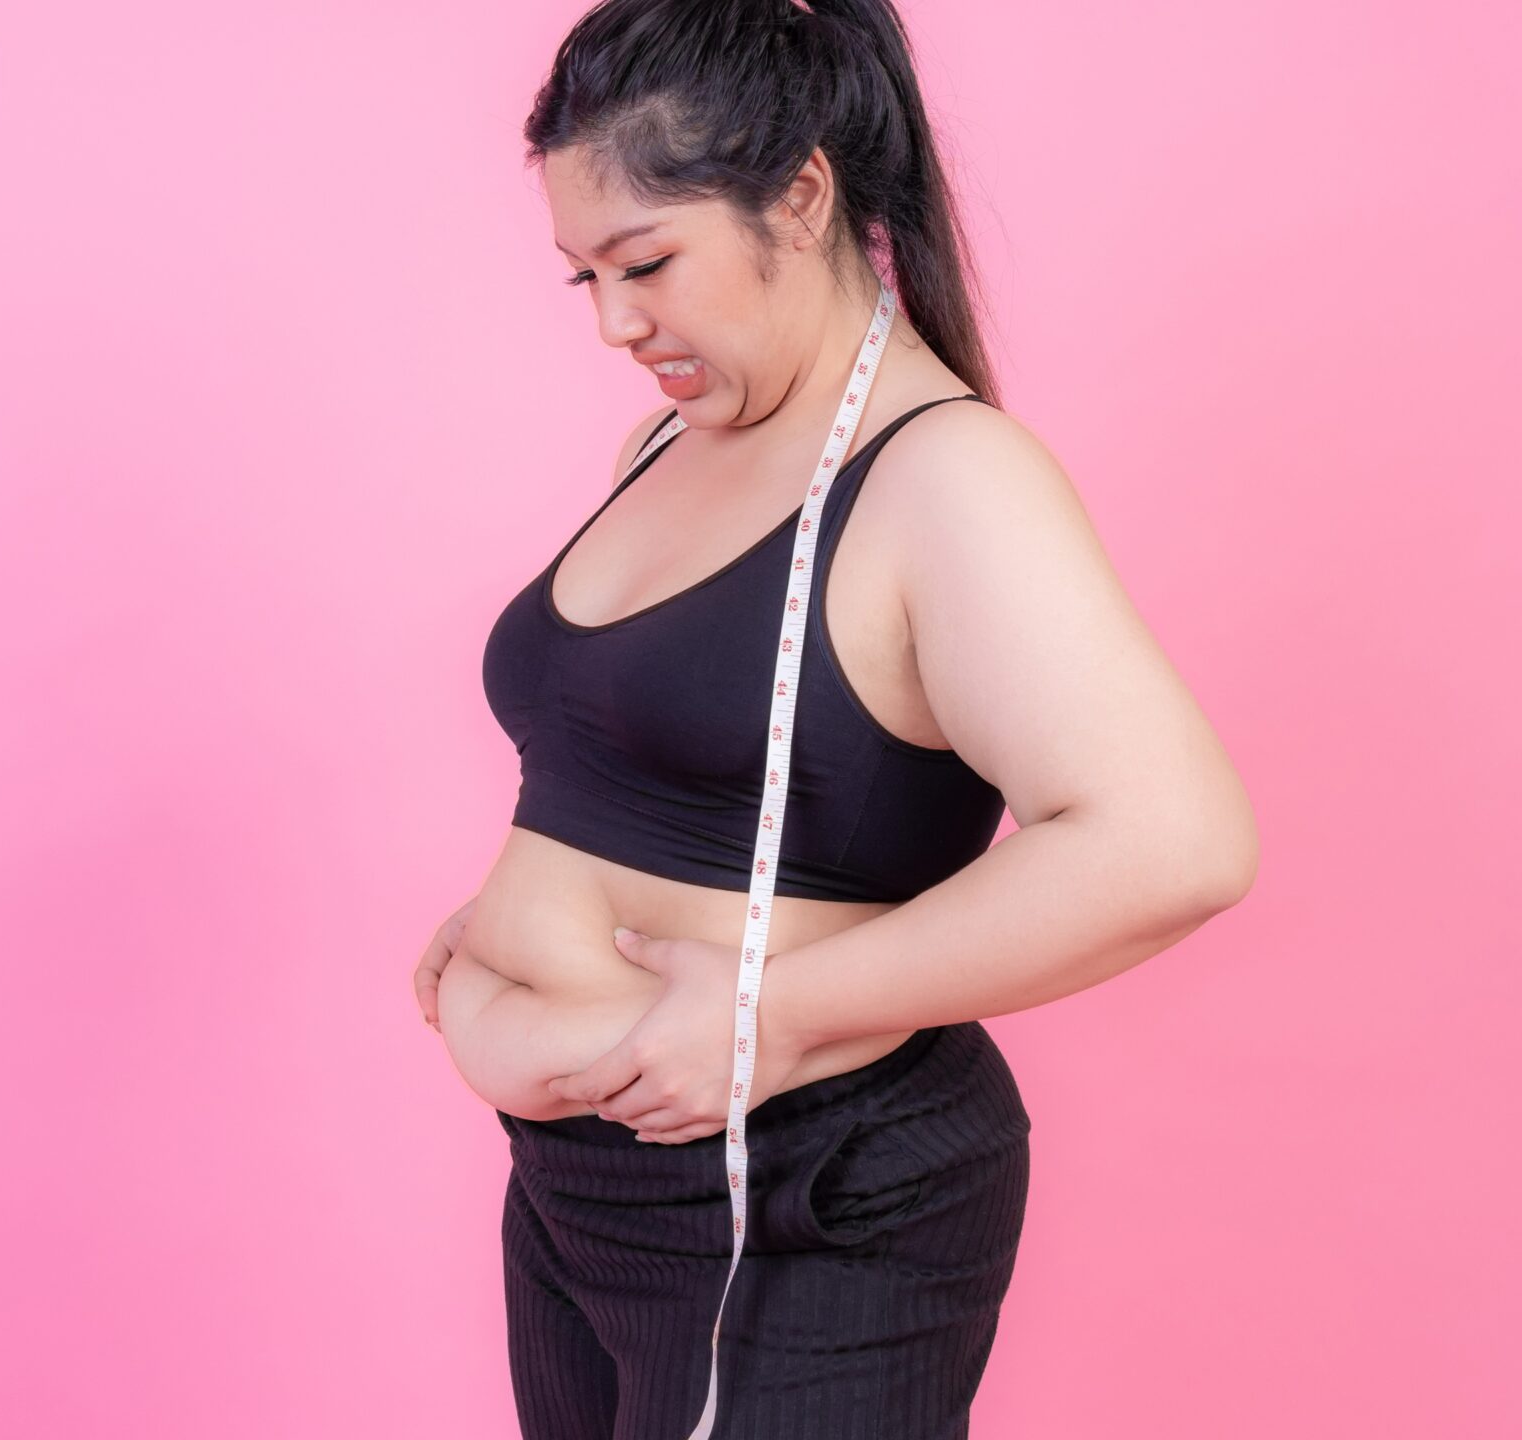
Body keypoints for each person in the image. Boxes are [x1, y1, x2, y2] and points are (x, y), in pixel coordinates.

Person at [408, 1, 1258, 1435]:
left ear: (800, 198)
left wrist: (771, 1009)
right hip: (578, 1190)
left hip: (793, 1190)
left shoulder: (945, 477)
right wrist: (508, 923)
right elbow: (662, 767)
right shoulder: (669, 441)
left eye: (647, 263)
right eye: (584, 276)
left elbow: (1174, 845)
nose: (615, 323)